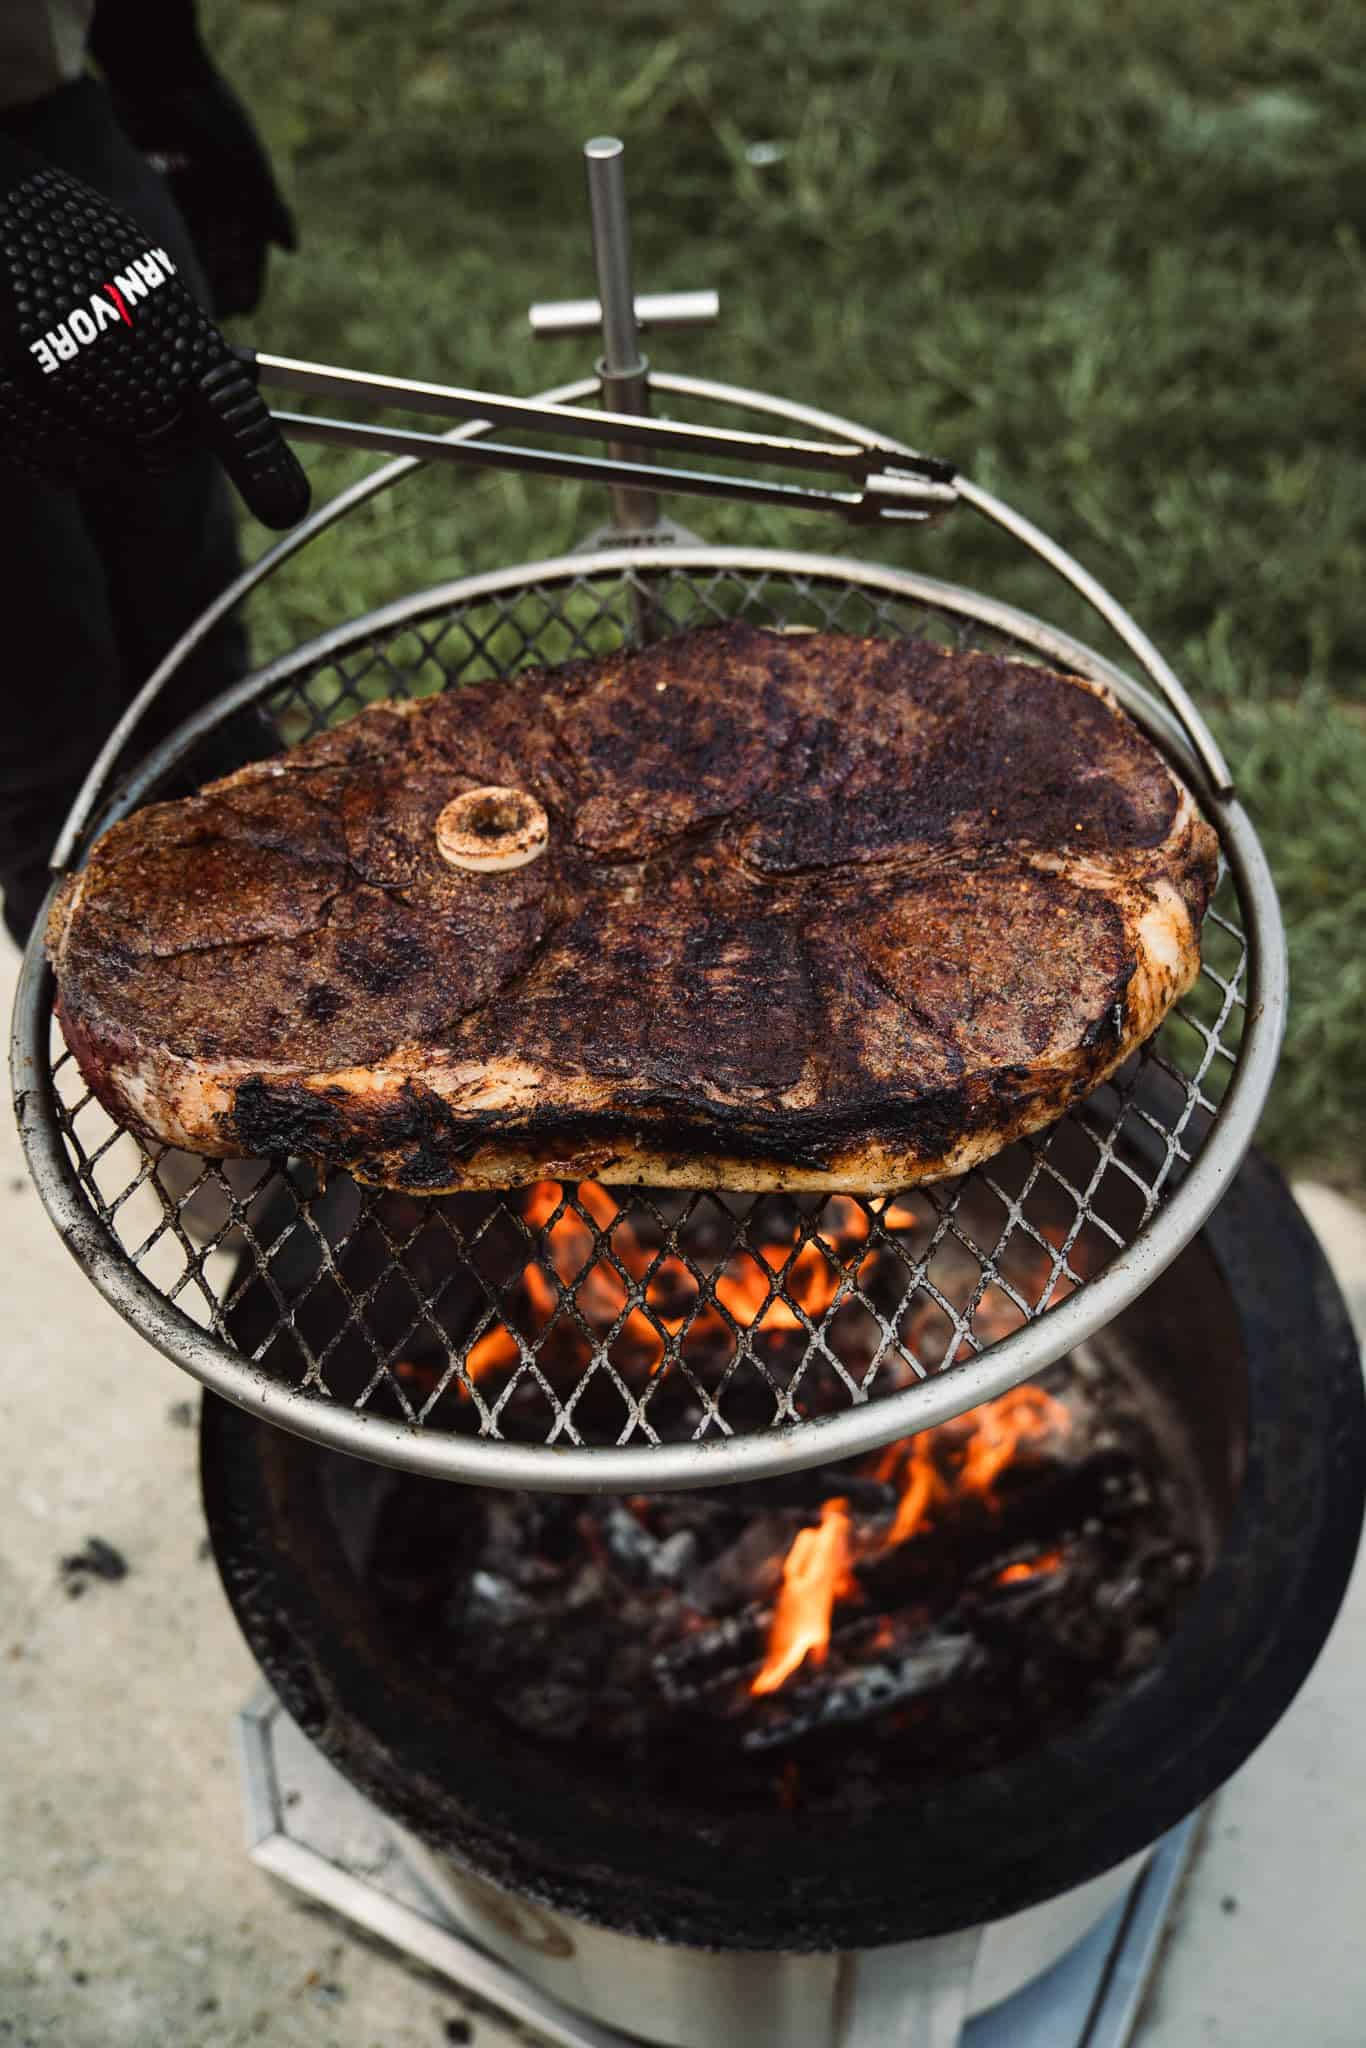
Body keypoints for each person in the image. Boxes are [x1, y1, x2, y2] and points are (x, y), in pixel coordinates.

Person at [0, 0, 309, 948]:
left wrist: (156, 62)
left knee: (194, 632)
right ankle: (84, 970)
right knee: (45, 672)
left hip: (46, 98)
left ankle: (288, 933)